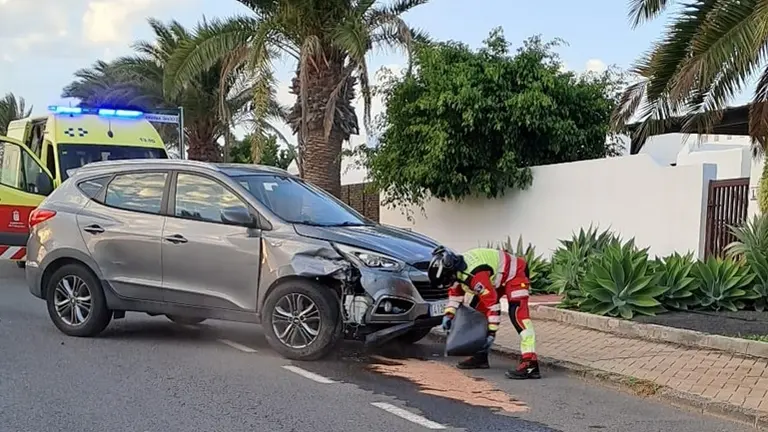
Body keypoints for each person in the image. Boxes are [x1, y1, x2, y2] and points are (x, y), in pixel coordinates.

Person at [427, 246, 540, 379]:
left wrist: (491, 332)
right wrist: (448, 315)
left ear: (450, 273)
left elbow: (493, 306)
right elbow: (455, 296)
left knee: (518, 316)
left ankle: (530, 363)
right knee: (477, 313)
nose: (448, 284)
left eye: (447, 281)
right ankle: (480, 355)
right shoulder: (455, 269)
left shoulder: (475, 275)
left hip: (516, 274)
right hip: (497, 277)